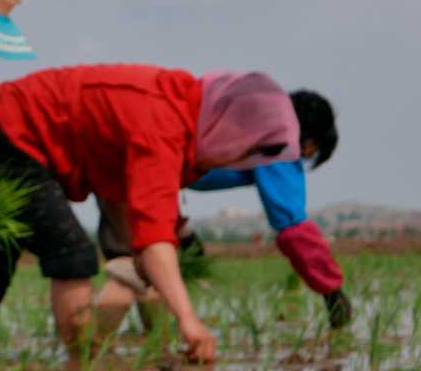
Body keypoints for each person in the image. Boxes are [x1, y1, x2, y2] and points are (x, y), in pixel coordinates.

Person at [0, 66, 301, 363]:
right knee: (72, 254)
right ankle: (82, 366)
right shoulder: (163, 126)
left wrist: (136, 252)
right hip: (8, 133)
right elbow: (156, 240)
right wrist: (189, 322)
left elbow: (123, 196)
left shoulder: (177, 107)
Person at [98, 89, 351, 330]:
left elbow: (170, 172)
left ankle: (152, 350)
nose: (302, 158)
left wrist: (181, 231)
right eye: (309, 154)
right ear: (309, 143)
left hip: (121, 159)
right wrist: (332, 292)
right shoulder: (277, 143)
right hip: (134, 171)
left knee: (150, 269)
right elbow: (293, 226)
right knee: (129, 268)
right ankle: (87, 352)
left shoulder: (236, 118)